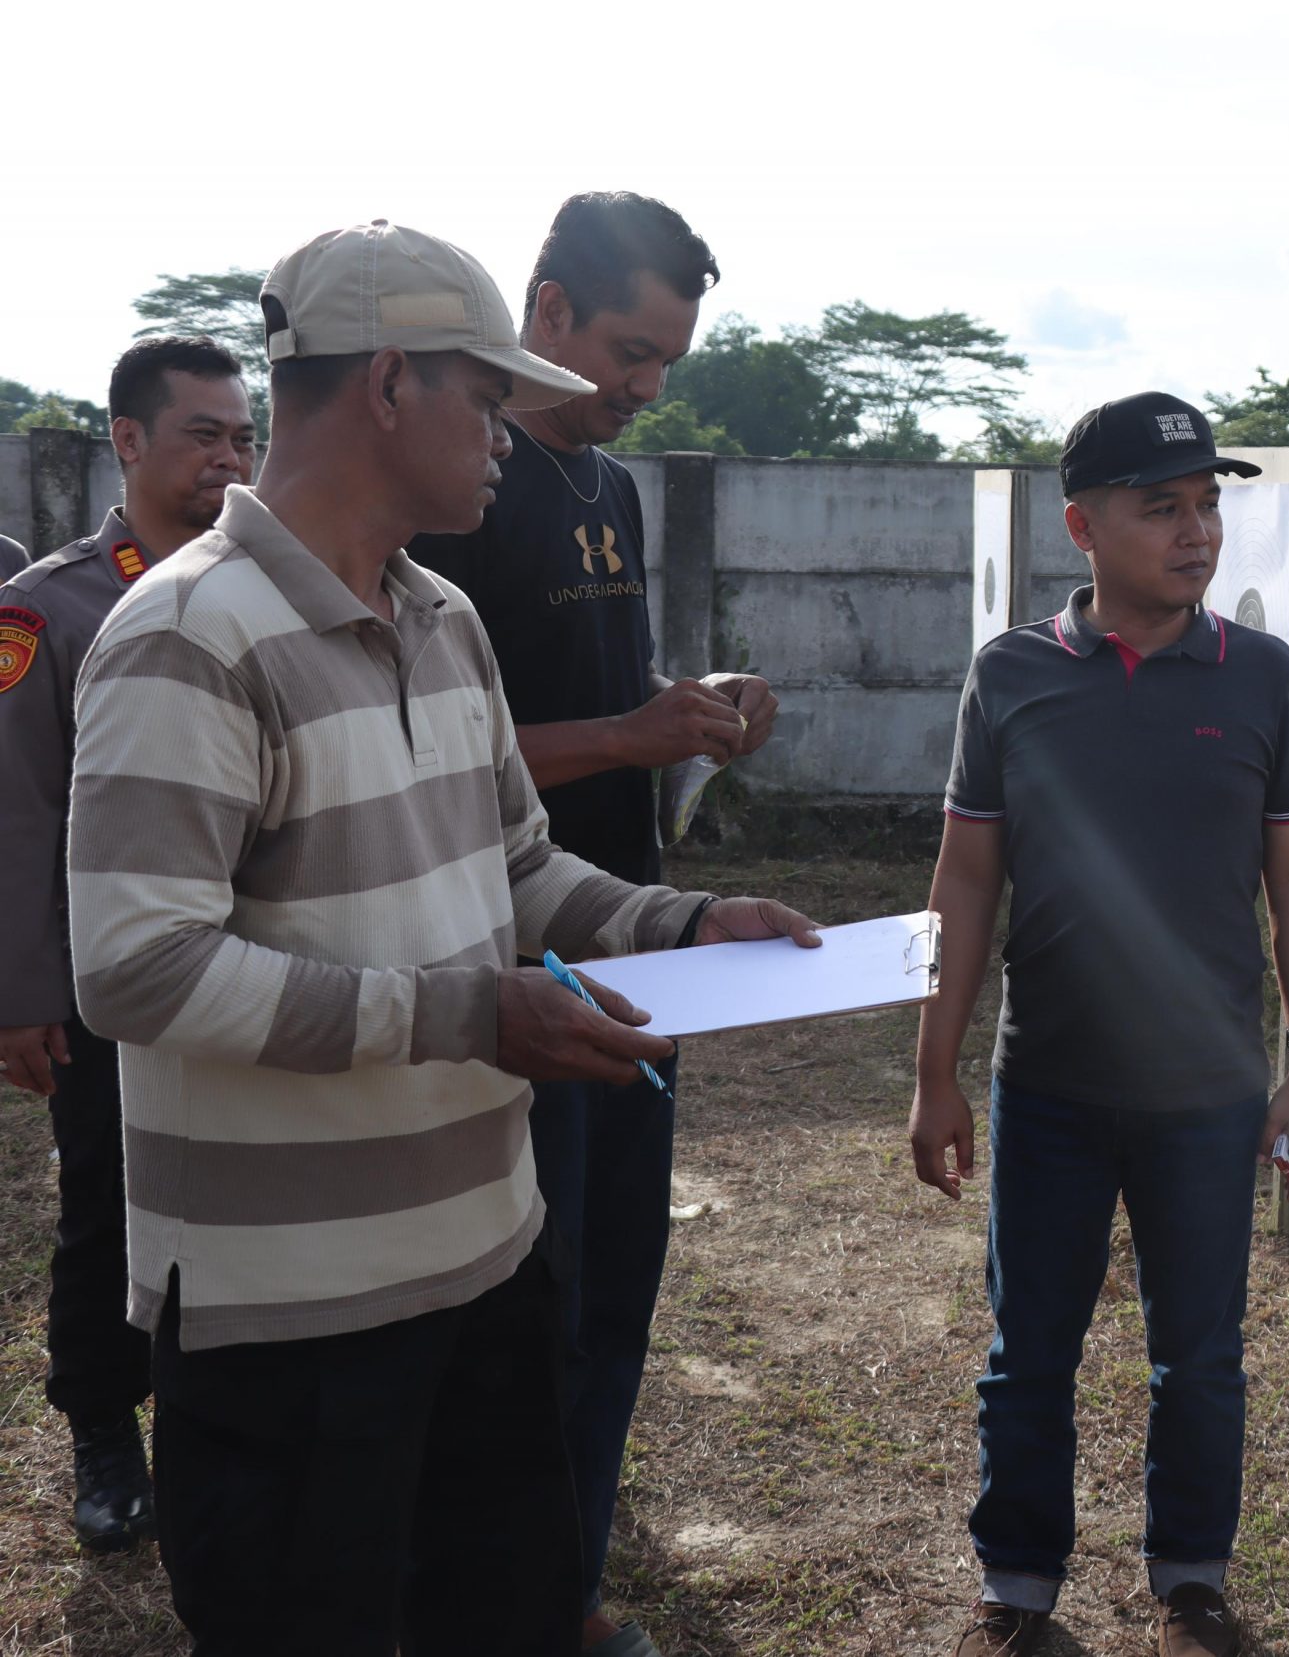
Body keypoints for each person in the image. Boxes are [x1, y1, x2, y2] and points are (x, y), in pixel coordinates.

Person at [65, 219, 819, 1657]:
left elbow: (520, 865)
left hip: (482, 1256)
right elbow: (137, 965)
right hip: (289, 1311)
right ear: (392, 383)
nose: (508, 434)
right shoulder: (185, 638)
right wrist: (471, 1014)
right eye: (486, 397)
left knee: (503, 1618)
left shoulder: (444, 616)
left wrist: (687, 923)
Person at [910, 393, 1289, 1657]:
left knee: (1199, 1356)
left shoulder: (1260, 676)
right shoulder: (1012, 674)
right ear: (1082, 524)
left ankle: (1190, 1585)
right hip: (1047, 1085)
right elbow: (965, 881)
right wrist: (934, 1071)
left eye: (1209, 503)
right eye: (1164, 507)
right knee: (1026, 1351)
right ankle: (1018, 1594)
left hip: (1208, 1097)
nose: (1197, 530)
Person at [405, 190, 774, 1657]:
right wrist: (627, 735)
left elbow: (600, 702)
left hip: (641, 939)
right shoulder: (460, 504)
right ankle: (499, 1591)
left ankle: (565, 1579)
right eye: (630, 349)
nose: (644, 386)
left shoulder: (610, 497)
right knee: (527, 1304)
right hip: (514, 949)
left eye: (667, 360)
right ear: (544, 312)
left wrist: (689, 711)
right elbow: (456, 758)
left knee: (618, 1282)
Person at [0, 336, 256, 1552]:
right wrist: (21, 993)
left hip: (247, 971)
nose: (228, 455)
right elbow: (16, 809)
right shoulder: (48, 607)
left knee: (238, 1207)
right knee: (107, 1207)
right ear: (129, 440)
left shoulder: (267, 587)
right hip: (113, 989)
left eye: (241, 433)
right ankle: (103, 1431)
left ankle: (218, 1426)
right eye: (202, 433)